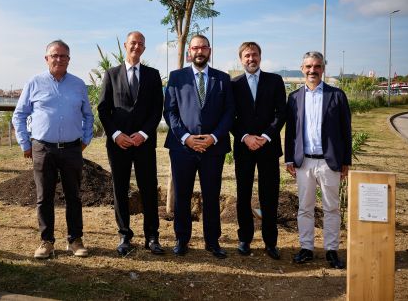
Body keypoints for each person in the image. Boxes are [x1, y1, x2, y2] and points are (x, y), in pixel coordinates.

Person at [13, 39, 94, 259]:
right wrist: (25, 143)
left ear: (69, 59)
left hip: (71, 149)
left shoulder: (78, 85)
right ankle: (46, 242)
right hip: (43, 149)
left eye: (63, 56)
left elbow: (88, 115)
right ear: (46, 58)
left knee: (74, 196)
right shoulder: (34, 83)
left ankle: (75, 240)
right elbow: (19, 115)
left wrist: (85, 139)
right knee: (44, 197)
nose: (59, 59)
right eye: (54, 55)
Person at [163, 34, 234, 259]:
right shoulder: (176, 77)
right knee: (182, 195)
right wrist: (186, 137)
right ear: (188, 53)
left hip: (214, 148)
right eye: (195, 48)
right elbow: (170, 111)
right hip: (182, 147)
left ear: (209, 51)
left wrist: (214, 137)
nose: (199, 51)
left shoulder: (223, 78)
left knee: (211, 195)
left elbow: (229, 112)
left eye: (203, 48)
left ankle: (212, 242)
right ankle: (181, 240)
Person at [97, 31, 165, 256]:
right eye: (133, 43)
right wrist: (115, 134)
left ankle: (152, 236)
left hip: (144, 143)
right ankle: (124, 235)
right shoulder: (111, 74)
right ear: (126, 45)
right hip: (119, 144)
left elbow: (157, 109)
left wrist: (143, 134)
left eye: (140, 44)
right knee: (120, 188)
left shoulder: (153, 75)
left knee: (148, 189)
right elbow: (103, 109)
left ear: (144, 48)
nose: (136, 47)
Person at [284, 51, 352, 269]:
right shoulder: (294, 98)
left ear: (323, 68)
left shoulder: (337, 95)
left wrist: (346, 161)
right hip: (304, 162)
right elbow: (291, 132)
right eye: (308, 66)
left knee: (331, 208)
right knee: (305, 207)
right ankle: (306, 248)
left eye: (317, 66)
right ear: (302, 69)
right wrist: (288, 159)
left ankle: (332, 250)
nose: (312, 70)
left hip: (329, 162)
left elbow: (345, 130)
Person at [230, 42, 286, 260]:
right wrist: (245, 137)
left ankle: (270, 242)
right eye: (246, 56)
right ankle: (244, 239)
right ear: (241, 59)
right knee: (243, 195)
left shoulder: (275, 81)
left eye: (254, 55)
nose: (251, 59)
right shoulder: (233, 84)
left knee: (269, 196)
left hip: (268, 147)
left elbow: (281, 113)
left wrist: (266, 136)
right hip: (244, 147)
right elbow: (230, 116)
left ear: (260, 57)